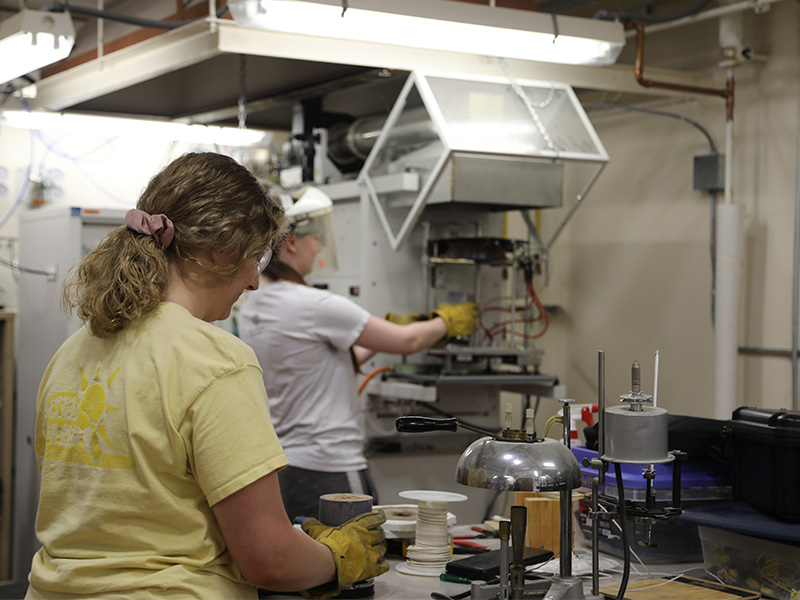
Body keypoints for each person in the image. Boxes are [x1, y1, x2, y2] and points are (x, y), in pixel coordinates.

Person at [26, 153, 387, 600]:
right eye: (254, 259)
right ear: (220, 251)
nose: (254, 283)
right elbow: (270, 559)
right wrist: (338, 557)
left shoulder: (72, 351)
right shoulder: (216, 361)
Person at [237, 187, 478, 522]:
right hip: (331, 467)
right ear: (291, 242)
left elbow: (319, 363)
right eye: (315, 239)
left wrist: (376, 336)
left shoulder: (254, 305)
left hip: (285, 467)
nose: (319, 246)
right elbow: (408, 341)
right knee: (353, 563)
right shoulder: (314, 304)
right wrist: (447, 321)